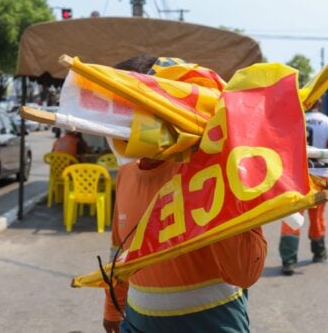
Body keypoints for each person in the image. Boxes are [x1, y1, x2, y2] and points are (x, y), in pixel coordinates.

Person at [103, 55, 267, 332]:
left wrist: (223, 172)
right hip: (136, 321)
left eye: (123, 109)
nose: (110, 123)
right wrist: (112, 306)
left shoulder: (211, 170)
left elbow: (245, 272)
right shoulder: (128, 173)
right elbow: (120, 251)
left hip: (212, 322)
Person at [279, 99, 328, 276]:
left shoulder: (295, 121)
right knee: (317, 218)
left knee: (291, 220)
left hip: (295, 179)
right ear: (320, 104)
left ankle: (288, 261)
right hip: (320, 178)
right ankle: (319, 252)